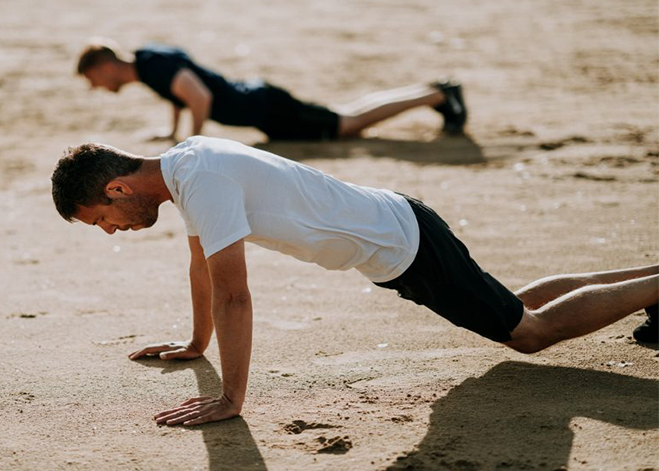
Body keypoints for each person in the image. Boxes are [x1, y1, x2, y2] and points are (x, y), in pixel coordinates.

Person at [50, 136, 658, 426]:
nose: (110, 231)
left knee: (527, 333)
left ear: (117, 188)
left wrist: (233, 399)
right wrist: (196, 343)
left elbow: (235, 291)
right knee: (517, 304)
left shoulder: (199, 182)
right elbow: (201, 267)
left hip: (405, 246)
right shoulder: (186, 165)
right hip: (399, 230)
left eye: (101, 219)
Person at [75, 40, 467, 141]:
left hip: (264, 109)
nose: (97, 87)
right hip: (261, 103)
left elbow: (200, 97)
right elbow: (182, 95)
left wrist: (193, 143)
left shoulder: (153, 67)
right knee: (346, 114)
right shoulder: (147, 62)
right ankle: (433, 91)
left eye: (93, 79)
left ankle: (437, 95)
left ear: (105, 66)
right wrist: (174, 132)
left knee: (349, 123)